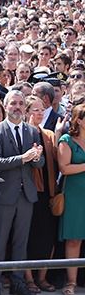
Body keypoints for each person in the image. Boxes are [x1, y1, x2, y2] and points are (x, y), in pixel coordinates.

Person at [0, 90, 44, 295]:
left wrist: (36, 157)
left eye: (21, 103)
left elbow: (40, 162)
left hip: (26, 194)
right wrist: (23, 158)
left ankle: (18, 281)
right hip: (4, 194)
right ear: (6, 105)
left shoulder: (32, 131)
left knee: (21, 241)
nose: (17, 107)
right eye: (13, 103)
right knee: (0, 241)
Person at [23, 96, 59, 293]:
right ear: (27, 111)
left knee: (47, 237)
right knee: (27, 237)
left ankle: (42, 277)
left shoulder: (49, 135)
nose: (40, 113)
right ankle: (29, 279)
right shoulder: (22, 133)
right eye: (35, 109)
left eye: (42, 109)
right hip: (28, 193)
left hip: (47, 193)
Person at [57, 103, 85, 295]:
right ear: (80, 120)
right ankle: (71, 282)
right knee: (74, 239)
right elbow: (64, 168)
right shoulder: (67, 140)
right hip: (75, 195)